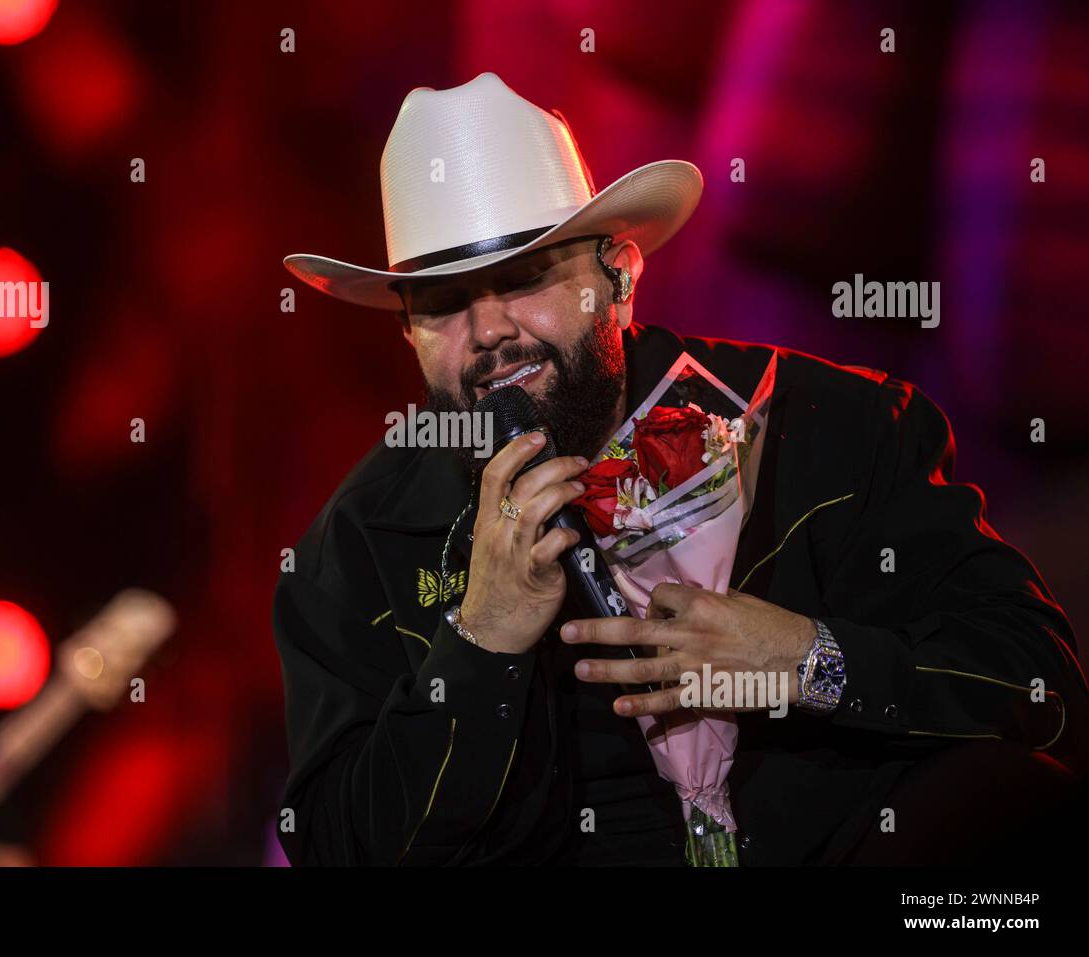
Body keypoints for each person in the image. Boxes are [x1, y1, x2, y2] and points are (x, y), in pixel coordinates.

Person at [272, 72, 1087, 865]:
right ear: (407, 332)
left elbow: (1043, 690)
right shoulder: (355, 549)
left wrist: (809, 660)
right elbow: (339, 846)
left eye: (523, 278)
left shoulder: (834, 427)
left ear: (619, 275)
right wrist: (480, 643)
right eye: (444, 303)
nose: (487, 331)